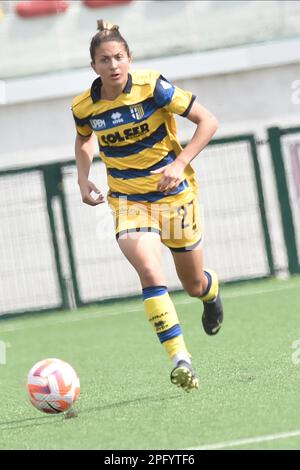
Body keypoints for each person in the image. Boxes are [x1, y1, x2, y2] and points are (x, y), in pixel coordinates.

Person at [72, 20, 223, 392]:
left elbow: (208, 121)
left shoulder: (153, 86)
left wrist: (179, 163)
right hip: (128, 200)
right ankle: (180, 359)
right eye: (104, 59)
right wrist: (82, 176)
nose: (113, 65)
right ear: (93, 66)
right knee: (151, 273)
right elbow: (85, 140)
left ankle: (210, 292)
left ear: (129, 58)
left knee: (191, 283)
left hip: (174, 196)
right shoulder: (84, 106)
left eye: (119, 57)